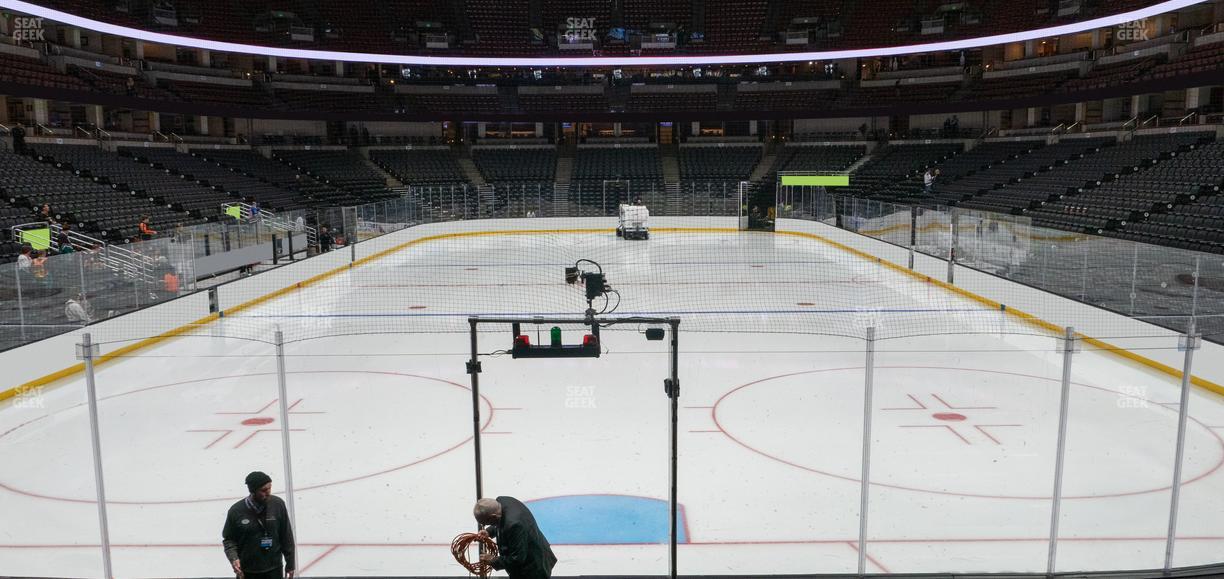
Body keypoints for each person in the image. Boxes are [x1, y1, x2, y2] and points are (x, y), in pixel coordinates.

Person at [222, 472, 296, 579]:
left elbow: (286, 536)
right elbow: (229, 539)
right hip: (247, 571)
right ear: (253, 491)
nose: (268, 493)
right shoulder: (236, 511)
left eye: (269, 488)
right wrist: (234, 558)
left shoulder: (278, 504)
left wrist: (290, 564)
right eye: (264, 490)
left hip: (274, 569)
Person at [473, 497, 556, 579]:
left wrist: (493, 560)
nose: (483, 526)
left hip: (533, 568)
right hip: (530, 557)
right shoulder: (501, 501)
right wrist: (489, 531)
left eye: (485, 523)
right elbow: (501, 521)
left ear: (494, 516)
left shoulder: (514, 525)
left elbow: (516, 560)